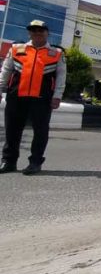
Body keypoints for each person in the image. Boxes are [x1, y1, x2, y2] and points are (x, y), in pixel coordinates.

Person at [0, 20, 66, 175]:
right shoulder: (16, 48)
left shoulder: (57, 53)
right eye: (33, 30)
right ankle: (8, 162)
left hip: (42, 98)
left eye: (40, 30)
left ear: (47, 33)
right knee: (12, 130)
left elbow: (61, 76)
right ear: (29, 33)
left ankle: (35, 162)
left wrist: (57, 96)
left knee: (40, 131)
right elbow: (6, 70)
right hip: (16, 96)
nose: (37, 33)